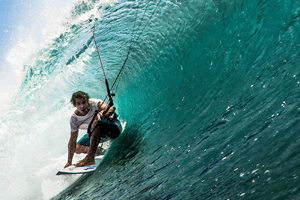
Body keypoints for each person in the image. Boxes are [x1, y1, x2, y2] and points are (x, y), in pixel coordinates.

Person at [64, 91, 122, 168]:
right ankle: (100, 151)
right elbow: (72, 140)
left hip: (114, 129)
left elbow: (110, 109)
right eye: (78, 104)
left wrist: (104, 113)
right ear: (75, 105)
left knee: (95, 122)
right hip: (98, 136)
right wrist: (69, 162)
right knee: (77, 148)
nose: (82, 106)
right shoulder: (74, 119)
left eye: (84, 102)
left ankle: (90, 158)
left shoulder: (95, 103)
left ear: (87, 101)